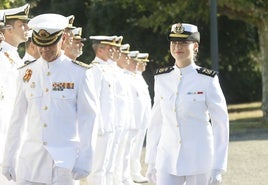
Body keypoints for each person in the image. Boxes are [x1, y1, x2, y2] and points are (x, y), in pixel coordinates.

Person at [2, 13, 98, 185]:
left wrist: (85, 158)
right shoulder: (26, 73)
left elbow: (88, 119)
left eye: (50, 45)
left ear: (64, 38)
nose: (45, 50)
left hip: (63, 164)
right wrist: (8, 158)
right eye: (41, 45)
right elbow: (17, 120)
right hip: (30, 162)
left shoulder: (79, 73)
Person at [145, 23, 229, 185]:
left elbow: (221, 124)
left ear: (195, 46)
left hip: (199, 159)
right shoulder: (161, 78)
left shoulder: (207, 79)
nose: (178, 47)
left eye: (183, 43)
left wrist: (218, 166)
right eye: (174, 42)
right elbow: (156, 122)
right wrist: (151, 161)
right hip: (167, 159)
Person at [80, 35, 121, 185]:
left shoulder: (108, 69)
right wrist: (99, 126)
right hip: (101, 127)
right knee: (98, 168)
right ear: (100, 49)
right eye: (110, 48)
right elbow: (94, 100)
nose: (113, 51)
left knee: (107, 165)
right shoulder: (95, 70)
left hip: (111, 124)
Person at [0, 4, 30, 185]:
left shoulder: (14, 57)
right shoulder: (3, 56)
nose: (27, 28)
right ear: (8, 30)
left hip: (14, 129)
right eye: (22, 25)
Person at [130, 53, 151, 184]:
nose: (144, 64)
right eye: (142, 62)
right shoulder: (131, 77)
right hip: (135, 118)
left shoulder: (139, 77)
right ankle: (132, 172)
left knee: (137, 147)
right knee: (132, 147)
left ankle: (135, 171)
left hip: (142, 117)